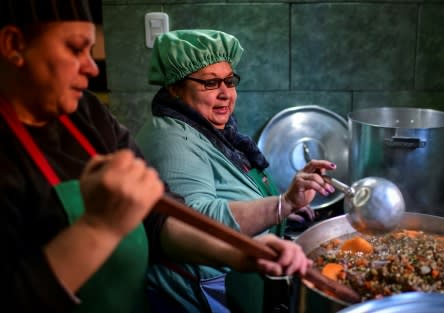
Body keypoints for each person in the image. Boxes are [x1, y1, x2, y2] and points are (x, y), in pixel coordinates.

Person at [0, 2, 314, 313]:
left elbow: (159, 218)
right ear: (14, 45)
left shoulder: (88, 114)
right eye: (74, 49)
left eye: (229, 81)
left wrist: (238, 253)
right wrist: (99, 227)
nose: (92, 67)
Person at [135, 29, 338, 312]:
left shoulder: (207, 127)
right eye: (210, 83)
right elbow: (194, 221)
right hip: (202, 292)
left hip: (239, 281)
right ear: (175, 88)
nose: (225, 94)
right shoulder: (172, 140)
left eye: (229, 81)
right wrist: (281, 205)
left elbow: (230, 187)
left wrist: (285, 208)